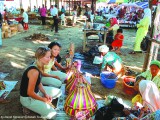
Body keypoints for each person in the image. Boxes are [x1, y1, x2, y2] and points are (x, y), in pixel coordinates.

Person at [20, 46, 62, 119]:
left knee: (59, 92)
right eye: (47, 57)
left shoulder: (40, 65)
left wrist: (45, 94)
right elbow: (30, 93)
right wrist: (43, 100)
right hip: (28, 98)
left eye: (50, 57)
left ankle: (40, 103)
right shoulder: (34, 71)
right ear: (40, 57)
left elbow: (39, 83)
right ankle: (26, 105)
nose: (49, 59)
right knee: (53, 115)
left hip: (36, 92)